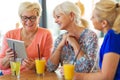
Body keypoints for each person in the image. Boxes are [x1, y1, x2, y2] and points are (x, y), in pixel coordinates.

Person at [0, 1, 53, 75]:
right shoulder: (9, 35)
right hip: (10, 76)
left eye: (33, 18)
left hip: (33, 76)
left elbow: (50, 65)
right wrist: (7, 58)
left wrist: (35, 66)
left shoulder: (46, 34)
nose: (28, 21)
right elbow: (1, 66)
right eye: (25, 18)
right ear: (20, 18)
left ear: (38, 18)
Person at [47, 1, 98, 73]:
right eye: (55, 18)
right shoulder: (60, 39)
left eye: (58, 17)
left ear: (71, 15)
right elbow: (50, 68)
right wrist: (60, 46)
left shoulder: (90, 36)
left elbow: (86, 69)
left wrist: (74, 44)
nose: (55, 21)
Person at [74, 0, 120, 80]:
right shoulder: (112, 35)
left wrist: (77, 76)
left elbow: (106, 77)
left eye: (93, 17)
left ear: (104, 23)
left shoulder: (113, 36)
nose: (90, 19)